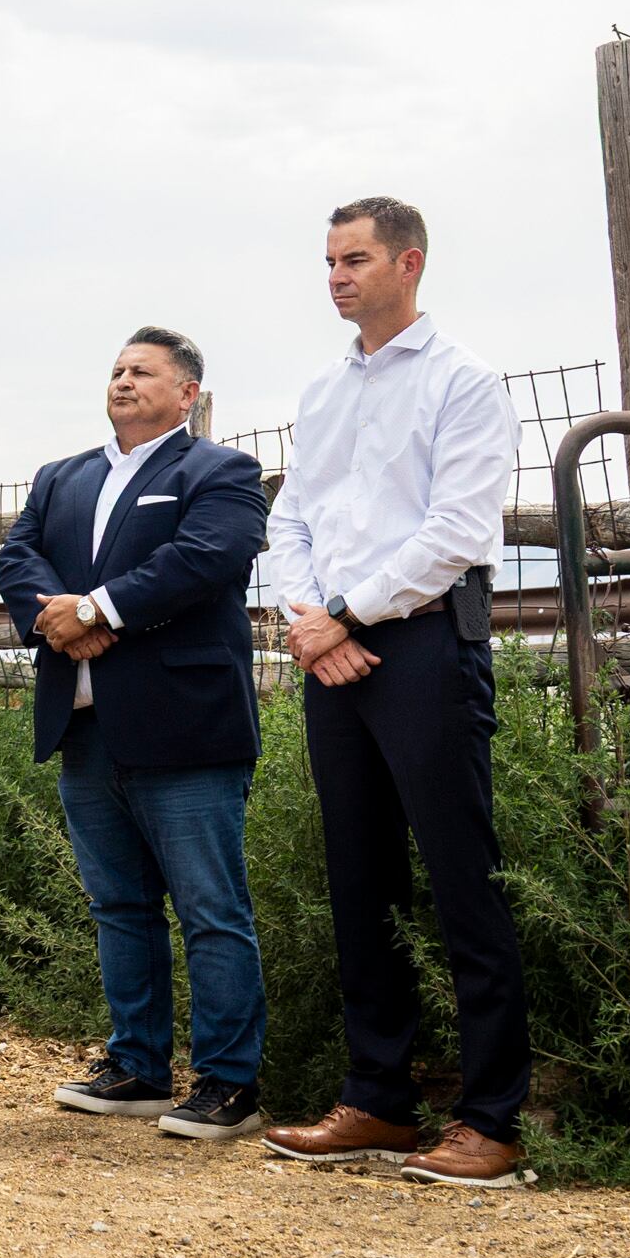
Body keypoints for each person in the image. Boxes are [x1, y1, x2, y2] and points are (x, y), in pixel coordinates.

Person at [259, 197, 533, 1189]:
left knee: (464, 874)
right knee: (359, 878)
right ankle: (375, 1098)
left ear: (409, 262)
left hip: (420, 646)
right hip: (334, 651)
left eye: (356, 258)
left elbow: (457, 530)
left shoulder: (463, 382)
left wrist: (348, 613)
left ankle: (491, 1118)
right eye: (328, 259)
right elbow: (289, 517)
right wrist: (309, 617)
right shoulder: (324, 392)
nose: (336, 274)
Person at [0, 328, 272, 1140]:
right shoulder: (63, 477)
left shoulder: (219, 473)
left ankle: (228, 1084)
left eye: (143, 371)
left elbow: (206, 558)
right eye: (116, 369)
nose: (123, 380)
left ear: (188, 393)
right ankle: (138, 1066)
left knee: (210, 908)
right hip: (85, 730)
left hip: (187, 728)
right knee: (119, 905)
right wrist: (63, 622)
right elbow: (18, 562)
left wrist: (98, 607)